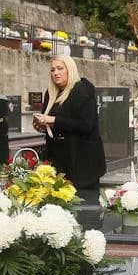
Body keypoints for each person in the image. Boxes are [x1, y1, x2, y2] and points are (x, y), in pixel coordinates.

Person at [31, 55, 106, 194]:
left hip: (81, 162)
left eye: (60, 68)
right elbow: (52, 122)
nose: (56, 73)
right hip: (58, 160)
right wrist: (42, 125)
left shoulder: (81, 90)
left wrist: (54, 120)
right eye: (53, 70)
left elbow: (86, 125)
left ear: (69, 69)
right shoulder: (51, 93)